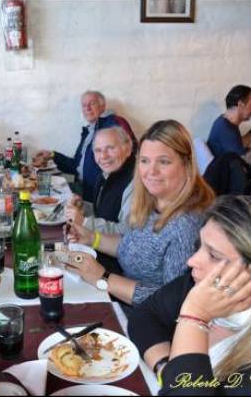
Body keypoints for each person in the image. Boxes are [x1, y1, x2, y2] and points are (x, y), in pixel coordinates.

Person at [66, 120, 215, 310]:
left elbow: (172, 302)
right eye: (145, 161)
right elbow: (131, 246)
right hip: (119, 296)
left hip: (145, 320)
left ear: (186, 164)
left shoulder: (186, 225)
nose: (151, 171)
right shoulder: (152, 202)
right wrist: (92, 239)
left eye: (163, 161)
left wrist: (103, 279)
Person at [128, 195, 251, 395]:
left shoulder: (201, 296)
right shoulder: (197, 283)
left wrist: (194, 318)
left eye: (214, 256)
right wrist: (165, 368)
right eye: (199, 245)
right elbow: (145, 315)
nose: (192, 261)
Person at [35, 90, 136, 202]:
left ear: (103, 106)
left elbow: (131, 150)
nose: (87, 108)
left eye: (92, 104)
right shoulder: (88, 132)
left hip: (101, 192)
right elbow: (75, 166)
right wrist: (52, 155)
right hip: (84, 188)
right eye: (84, 105)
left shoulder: (113, 123)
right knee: (43, 192)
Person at [64, 125, 135, 274]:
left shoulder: (134, 183)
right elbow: (104, 211)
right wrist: (83, 207)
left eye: (110, 148)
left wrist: (84, 222)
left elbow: (127, 232)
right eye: (98, 150)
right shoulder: (106, 174)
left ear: (128, 149)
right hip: (99, 250)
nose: (103, 156)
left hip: (119, 267)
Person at [207, 85, 251, 162]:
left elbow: (237, 143)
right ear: (240, 104)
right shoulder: (225, 128)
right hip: (226, 172)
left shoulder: (226, 122)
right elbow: (244, 160)